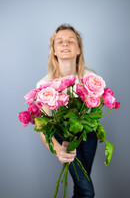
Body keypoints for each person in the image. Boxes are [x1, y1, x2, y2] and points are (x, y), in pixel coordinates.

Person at [36, 24, 98, 198]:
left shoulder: (90, 77)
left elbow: (93, 114)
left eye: (71, 41)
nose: (65, 44)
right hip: (65, 140)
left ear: (78, 49)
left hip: (88, 137)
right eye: (60, 42)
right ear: (54, 50)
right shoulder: (44, 85)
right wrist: (59, 151)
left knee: (80, 187)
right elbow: (43, 128)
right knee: (87, 191)